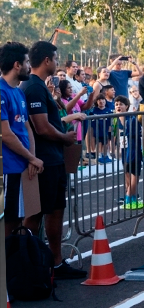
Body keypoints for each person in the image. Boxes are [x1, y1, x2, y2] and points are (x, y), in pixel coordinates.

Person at [19, 41, 84, 278]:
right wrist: (66, 139)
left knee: (53, 211)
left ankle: (53, 263)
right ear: (47, 60)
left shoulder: (38, 86)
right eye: (56, 59)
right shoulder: (33, 87)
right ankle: (31, 265)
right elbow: (42, 127)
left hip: (51, 159)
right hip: (44, 160)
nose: (57, 63)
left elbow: (49, 123)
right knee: (37, 215)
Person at [1, 42, 45, 236]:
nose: (29, 66)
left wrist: (32, 158)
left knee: (18, 219)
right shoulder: (2, 92)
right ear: (17, 65)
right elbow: (6, 134)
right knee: (8, 220)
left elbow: (26, 127)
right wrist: (31, 158)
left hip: (23, 165)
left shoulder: (18, 92)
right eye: (27, 62)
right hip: (9, 167)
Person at [113, 96, 144, 209]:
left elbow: (137, 133)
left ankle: (130, 197)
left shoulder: (131, 119)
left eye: (121, 104)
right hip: (124, 150)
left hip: (133, 150)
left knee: (135, 174)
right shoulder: (116, 119)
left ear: (126, 106)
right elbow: (117, 135)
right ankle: (129, 198)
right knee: (127, 173)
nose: (118, 106)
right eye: (116, 104)